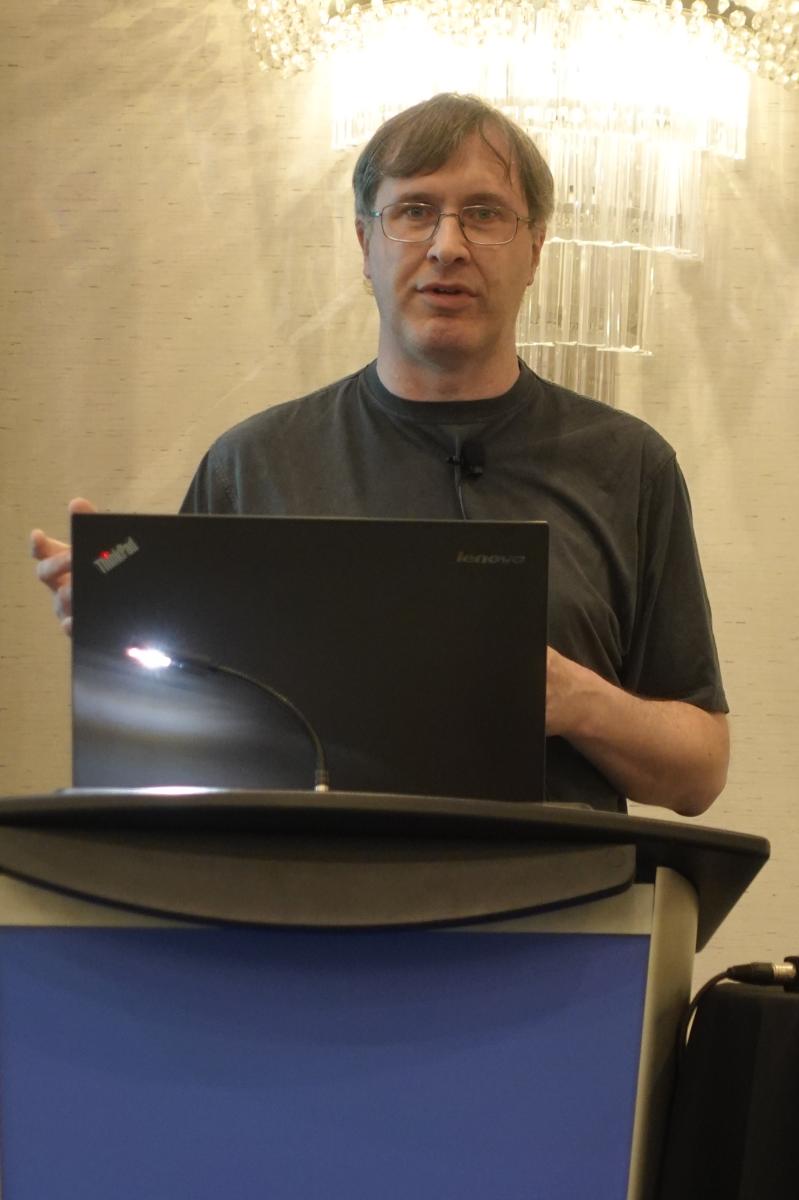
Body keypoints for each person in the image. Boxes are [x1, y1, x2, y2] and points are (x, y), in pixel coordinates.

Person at [30, 93, 729, 817]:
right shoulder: (252, 463)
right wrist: (125, 626)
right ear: (365, 243)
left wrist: (578, 700)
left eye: (485, 214)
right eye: (414, 211)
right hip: (302, 880)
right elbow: (182, 734)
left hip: (552, 882)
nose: (447, 246)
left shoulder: (630, 464)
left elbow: (698, 774)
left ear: (535, 251)